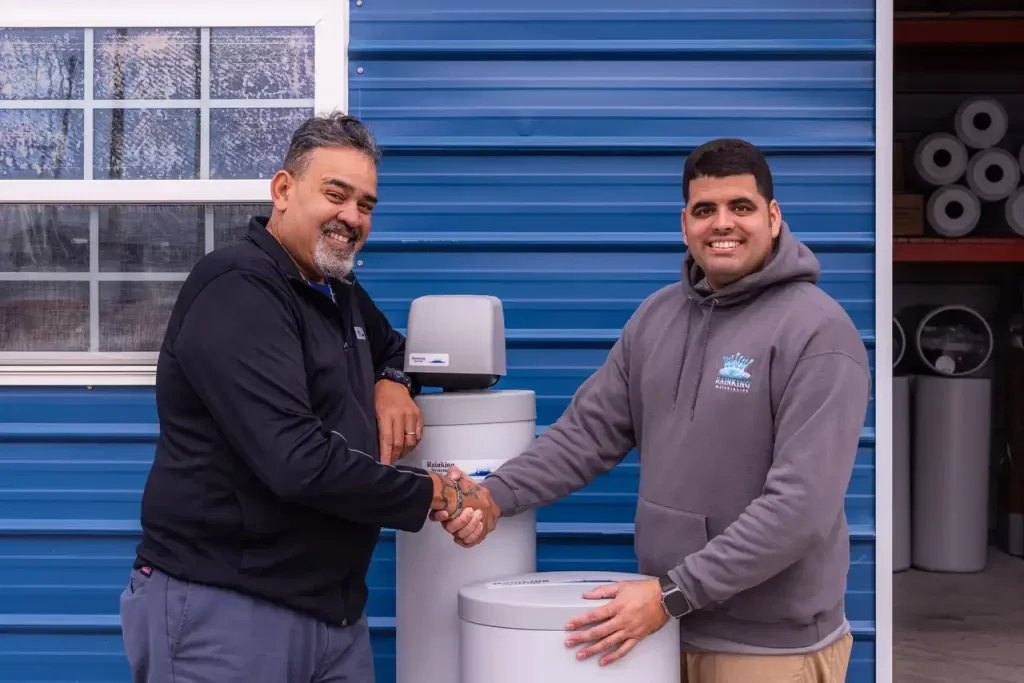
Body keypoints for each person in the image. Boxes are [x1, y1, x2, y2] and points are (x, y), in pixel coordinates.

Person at [438, 138, 871, 683]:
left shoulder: (819, 333)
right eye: (705, 209)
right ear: (684, 223)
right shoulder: (656, 319)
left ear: (774, 217)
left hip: (765, 649)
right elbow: (584, 436)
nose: (723, 224)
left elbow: (800, 509)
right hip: (664, 631)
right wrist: (493, 495)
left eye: (741, 207)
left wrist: (672, 593)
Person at [119, 112, 490, 683]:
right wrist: (433, 493)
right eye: (336, 194)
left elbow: (396, 347)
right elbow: (296, 461)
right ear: (283, 190)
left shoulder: (337, 292)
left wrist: (391, 380)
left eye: (365, 204)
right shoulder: (238, 289)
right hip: (228, 608)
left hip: (332, 617)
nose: (351, 217)